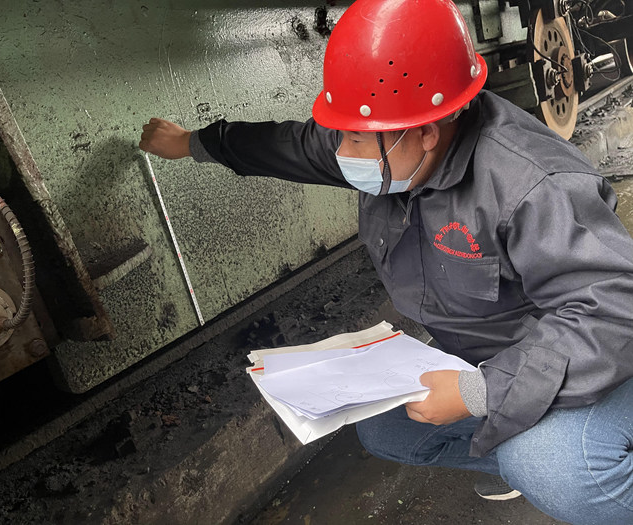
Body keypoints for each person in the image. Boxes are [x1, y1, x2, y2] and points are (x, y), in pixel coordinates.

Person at [139, 0, 633, 523]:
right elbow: (288, 145)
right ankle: (517, 450)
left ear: (427, 131)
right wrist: (192, 143)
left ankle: (552, 462)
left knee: (550, 465)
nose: (342, 152)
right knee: (387, 430)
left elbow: (613, 313)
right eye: (343, 134)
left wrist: (482, 392)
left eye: (355, 139)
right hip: (493, 354)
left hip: (598, 360)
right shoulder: (391, 144)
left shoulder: (532, 185)